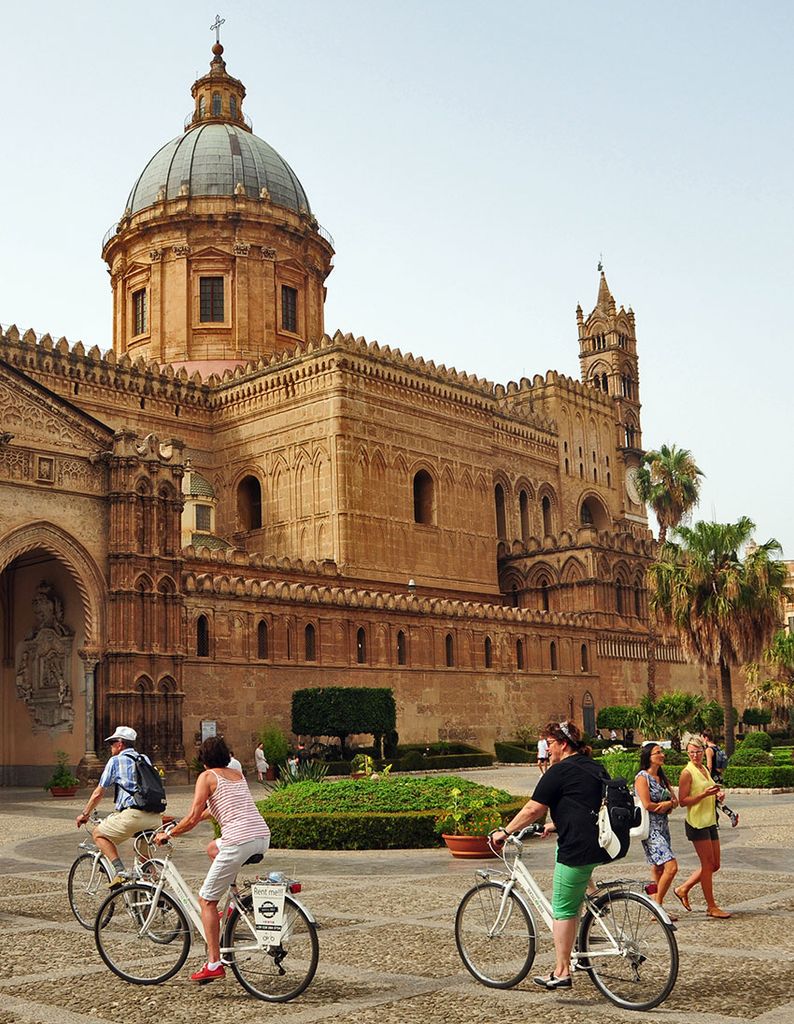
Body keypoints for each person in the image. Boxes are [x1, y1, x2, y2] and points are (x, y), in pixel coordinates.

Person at [492, 720, 607, 991]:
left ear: (563, 744)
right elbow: (585, 802)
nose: (548, 749)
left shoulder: (559, 771)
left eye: (550, 744)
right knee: (575, 893)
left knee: (564, 909)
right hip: (599, 844)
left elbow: (533, 809)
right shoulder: (593, 765)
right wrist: (557, 823)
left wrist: (505, 832)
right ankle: (590, 916)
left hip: (576, 848)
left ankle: (562, 971)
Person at [155, 735, 270, 982]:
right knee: (212, 848)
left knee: (206, 900)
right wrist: (181, 822)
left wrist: (170, 833)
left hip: (238, 840)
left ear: (203, 760)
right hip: (261, 836)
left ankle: (213, 963)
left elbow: (195, 815)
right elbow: (217, 808)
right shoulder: (236, 775)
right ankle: (233, 898)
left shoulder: (206, 777)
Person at [75, 726, 163, 888]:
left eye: (113, 743)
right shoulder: (144, 759)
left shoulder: (115, 761)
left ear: (120, 744)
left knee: (99, 834)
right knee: (145, 859)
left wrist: (85, 814)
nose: (111, 746)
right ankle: (157, 892)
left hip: (132, 816)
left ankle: (120, 871)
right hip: (155, 818)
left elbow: (99, 792)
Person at [674, 738, 731, 919]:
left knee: (715, 865)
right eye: (691, 752)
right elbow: (683, 801)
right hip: (696, 823)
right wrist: (703, 795)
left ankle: (683, 888)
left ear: (703, 750)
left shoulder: (704, 769)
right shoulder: (687, 772)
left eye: (698, 752)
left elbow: (708, 790)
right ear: (687, 752)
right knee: (707, 865)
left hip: (709, 820)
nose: (695, 755)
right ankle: (711, 906)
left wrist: (716, 794)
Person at [634, 743, 679, 918]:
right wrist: (666, 805)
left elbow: (675, 801)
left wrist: (668, 804)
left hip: (663, 826)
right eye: (657, 752)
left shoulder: (662, 777)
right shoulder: (642, 777)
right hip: (651, 828)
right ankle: (657, 906)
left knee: (658, 867)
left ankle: (657, 906)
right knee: (671, 866)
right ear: (648, 756)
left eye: (662, 752)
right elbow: (647, 804)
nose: (662, 755)